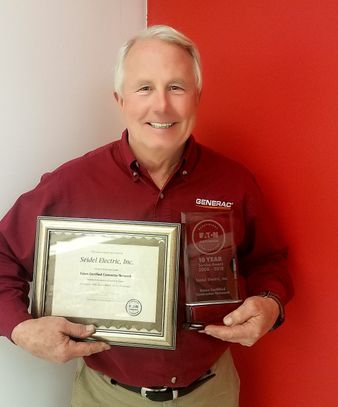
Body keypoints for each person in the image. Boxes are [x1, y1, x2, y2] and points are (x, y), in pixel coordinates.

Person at [0, 25, 293, 406]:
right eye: (144, 88)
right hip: (105, 396)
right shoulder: (70, 185)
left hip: (212, 392)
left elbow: (270, 261)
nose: (161, 107)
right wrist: (20, 329)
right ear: (120, 100)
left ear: (197, 96)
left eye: (176, 87)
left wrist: (270, 303)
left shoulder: (235, 183)